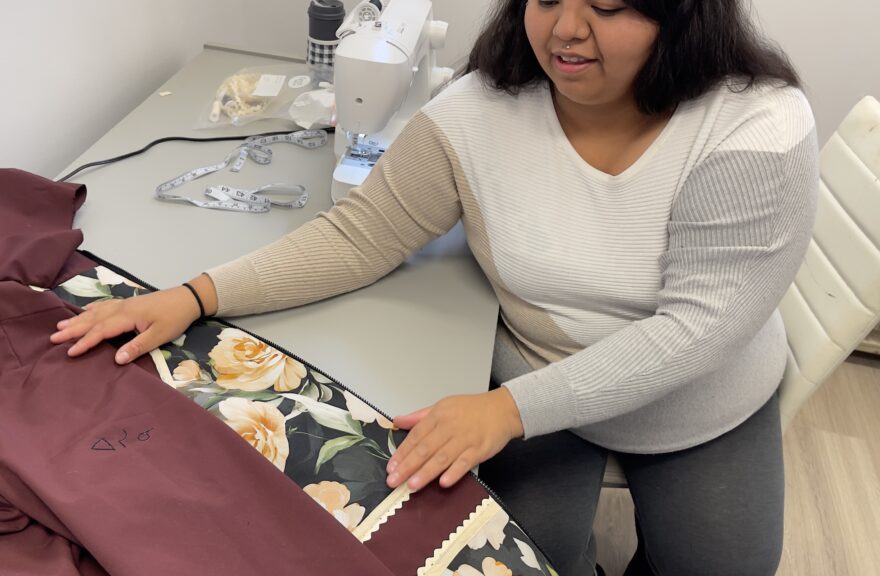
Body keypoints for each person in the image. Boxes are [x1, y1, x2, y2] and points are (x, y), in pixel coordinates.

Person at [51, 0, 818, 573]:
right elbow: (362, 235)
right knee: (520, 556)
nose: (565, 31)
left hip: (695, 405)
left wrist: (507, 411)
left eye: (609, 6)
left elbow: (700, 330)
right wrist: (192, 296)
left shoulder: (755, 129)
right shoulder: (476, 115)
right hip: (540, 385)